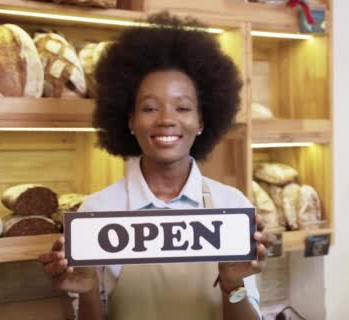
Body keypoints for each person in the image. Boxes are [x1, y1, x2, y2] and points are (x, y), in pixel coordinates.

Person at [39, 12, 271, 320]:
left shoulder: (232, 207)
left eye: (183, 107)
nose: (166, 119)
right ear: (130, 121)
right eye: (149, 108)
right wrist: (89, 289)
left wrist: (233, 285)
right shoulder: (98, 212)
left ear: (201, 121)